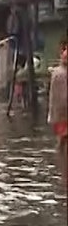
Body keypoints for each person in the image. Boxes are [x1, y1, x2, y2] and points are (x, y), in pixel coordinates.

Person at [48, 40, 67, 189]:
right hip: (61, 113)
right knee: (62, 140)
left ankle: (62, 169)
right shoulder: (59, 73)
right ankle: (62, 169)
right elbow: (56, 97)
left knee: (61, 140)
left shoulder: (58, 73)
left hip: (59, 112)